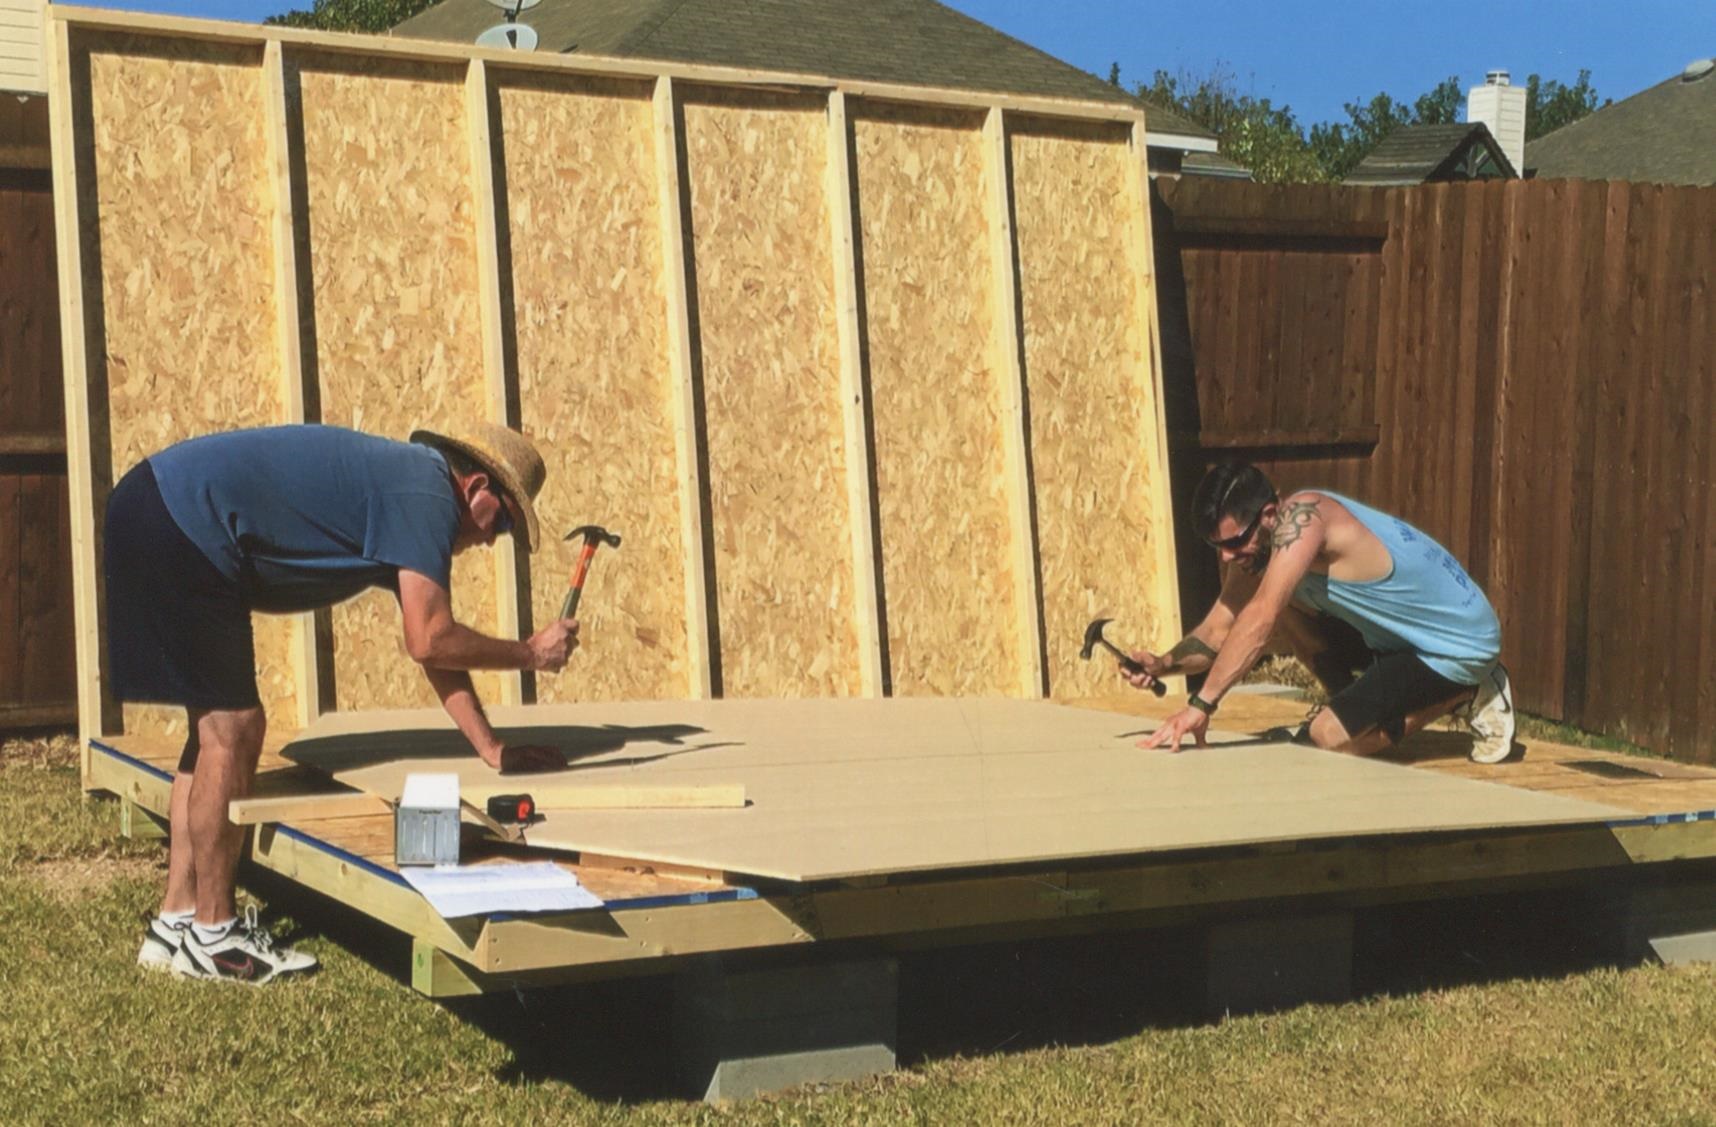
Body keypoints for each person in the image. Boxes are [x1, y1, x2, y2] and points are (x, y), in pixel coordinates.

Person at [105, 422, 578, 985]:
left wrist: (491, 748)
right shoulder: (428, 495)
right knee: (235, 730)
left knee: (214, 734)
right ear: (477, 487)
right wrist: (530, 654)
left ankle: (177, 920)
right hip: (184, 523)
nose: (492, 540)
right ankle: (215, 936)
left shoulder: (407, 488)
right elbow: (430, 638)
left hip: (152, 506)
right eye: (501, 522)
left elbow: (431, 646)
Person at [1127, 462, 1515, 762]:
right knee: (1283, 608)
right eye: (1218, 547)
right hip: (1395, 637)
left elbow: (1260, 618)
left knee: (1328, 739)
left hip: (1455, 645)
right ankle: (1349, 707)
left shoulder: (1307, 518)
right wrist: (1162, 664)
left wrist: (1201, 705)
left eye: (1233, 542)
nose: (1227, 556)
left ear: (1269, 514)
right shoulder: (1257, 550)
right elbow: (1218, 629)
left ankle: (1467, 691)